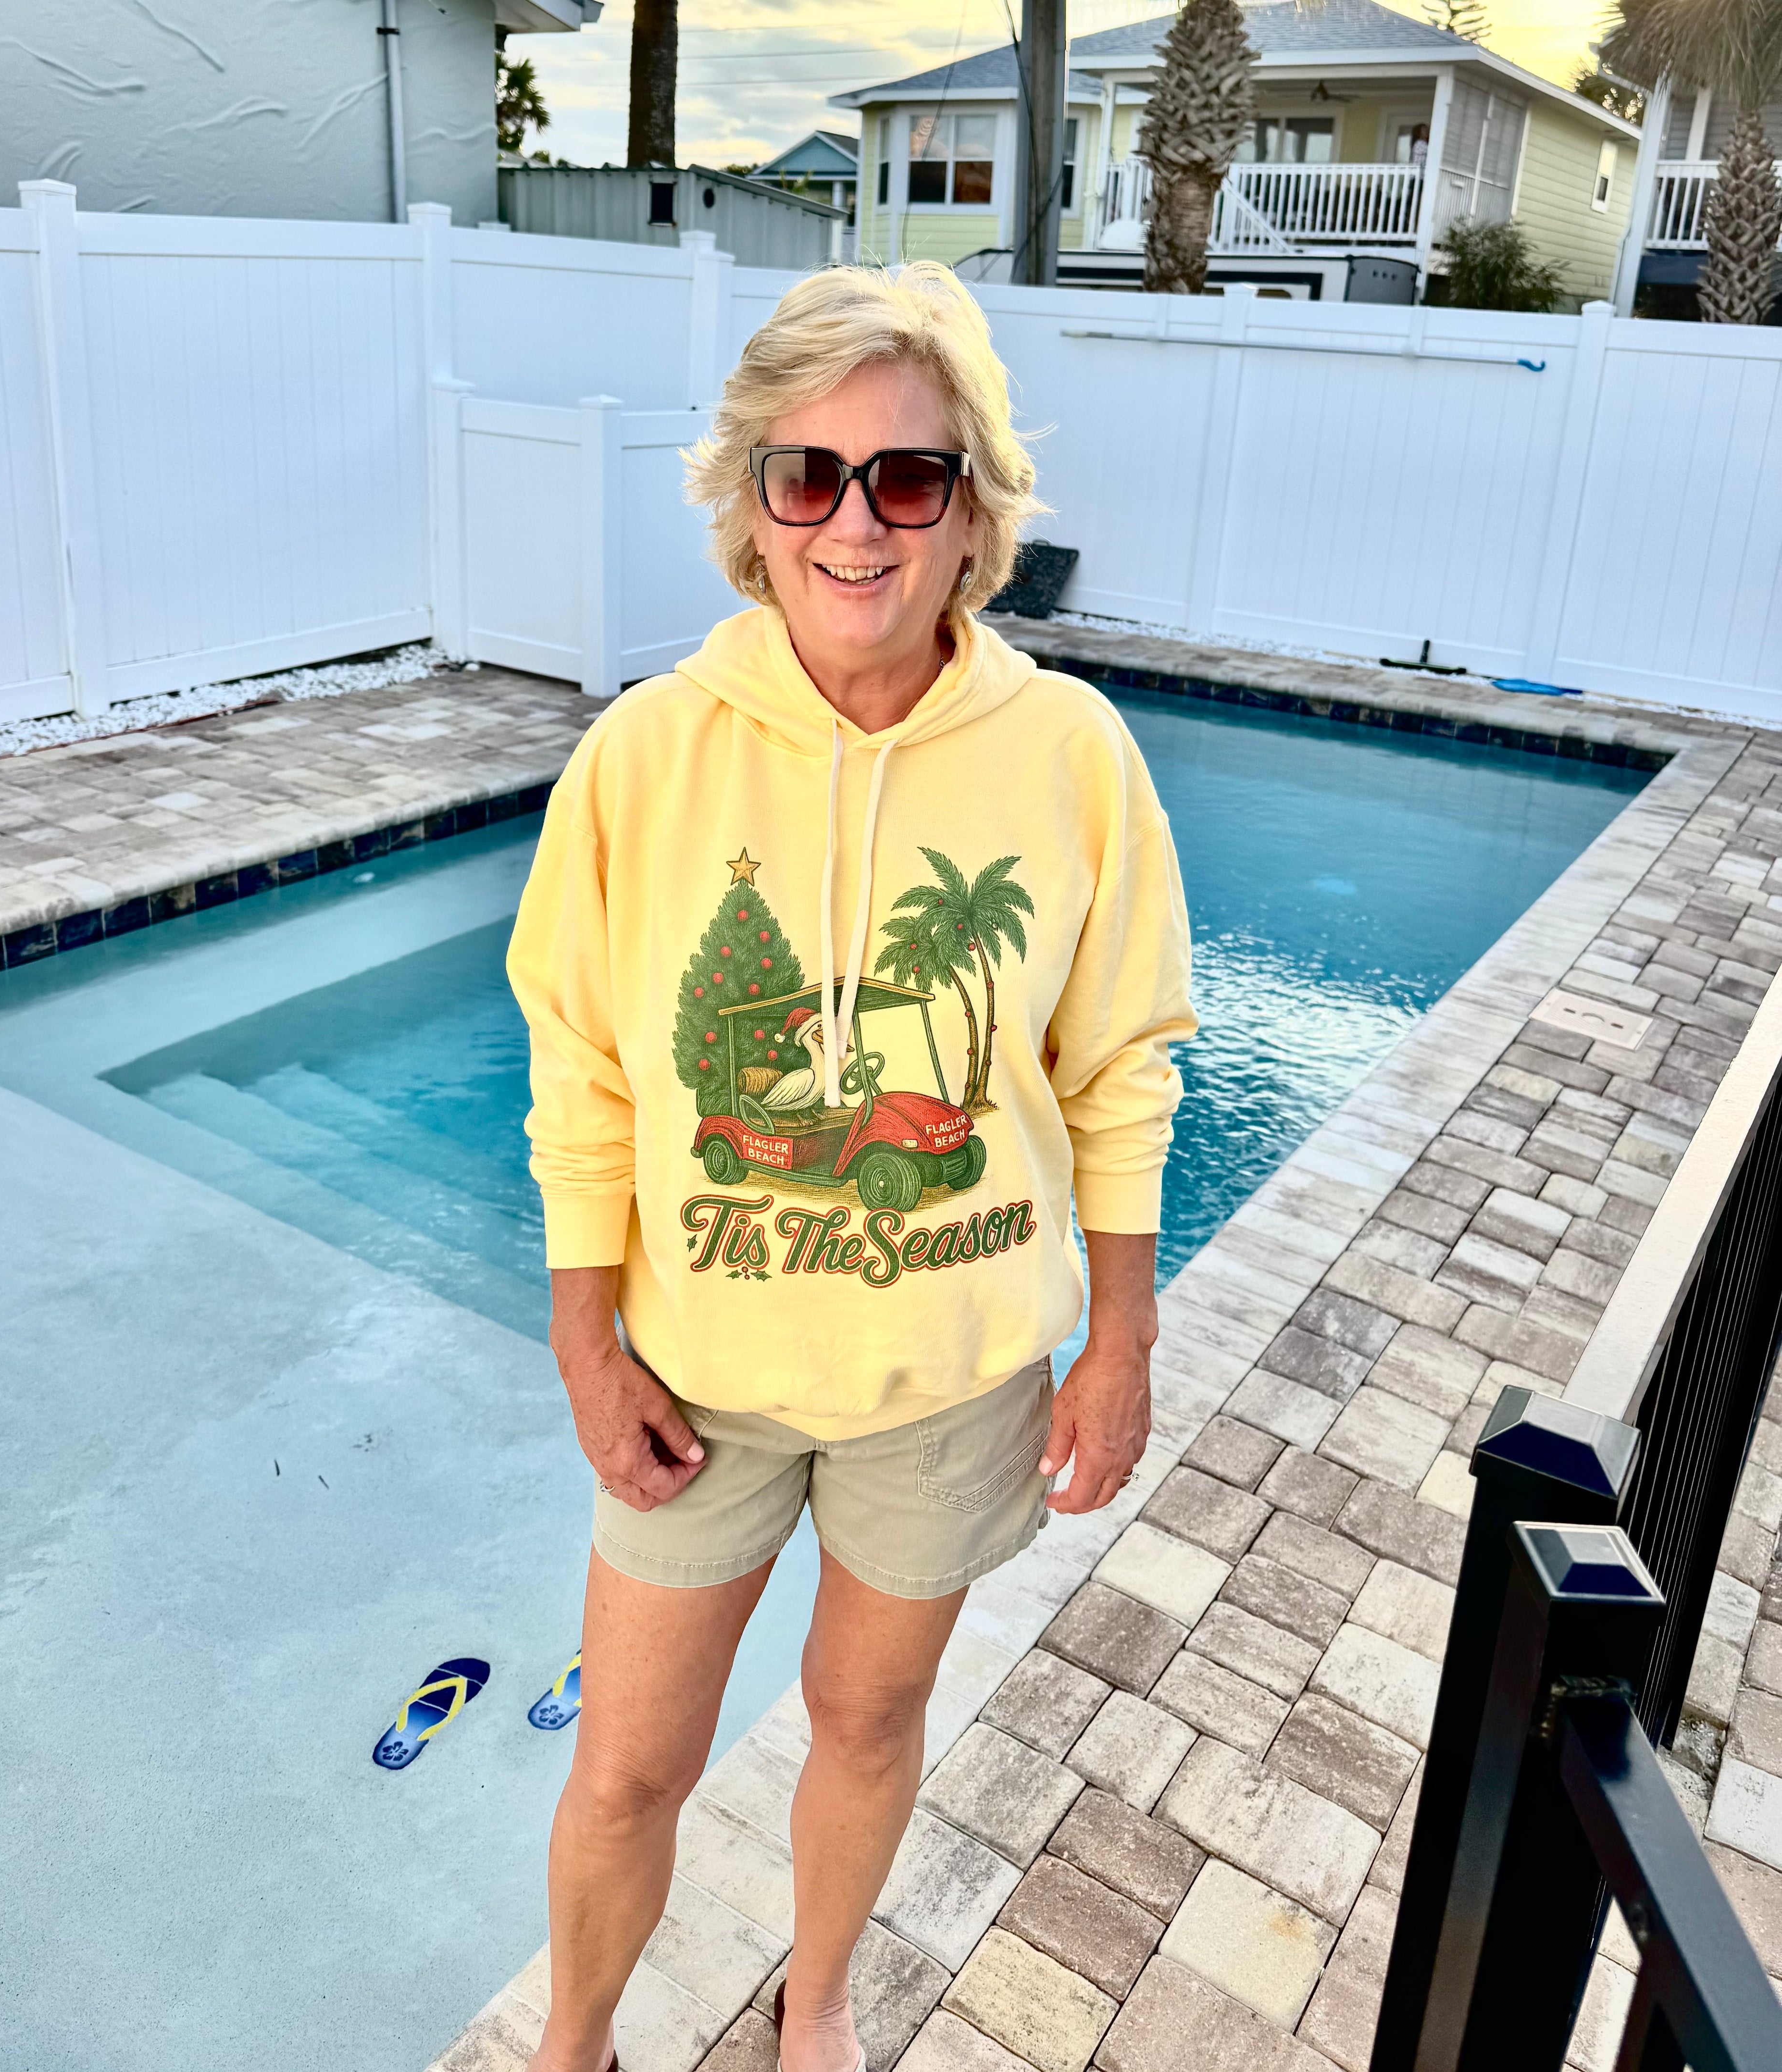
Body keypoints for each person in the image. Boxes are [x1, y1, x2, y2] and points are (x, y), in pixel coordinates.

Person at [507, 261, 1196, 2072]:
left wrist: (1121, 1338)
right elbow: (582, 1073)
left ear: (976, 515)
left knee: (867, 1724)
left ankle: (814, 2003)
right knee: (627, 1767)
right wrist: (584, 1338)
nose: (857, 521)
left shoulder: (1073, 759)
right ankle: (575, 2043)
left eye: (910, 475)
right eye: (809, 474)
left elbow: (1121, 1068)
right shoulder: (643, 759)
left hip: (950, 1384)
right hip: (696, 1384)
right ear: (753, 508)